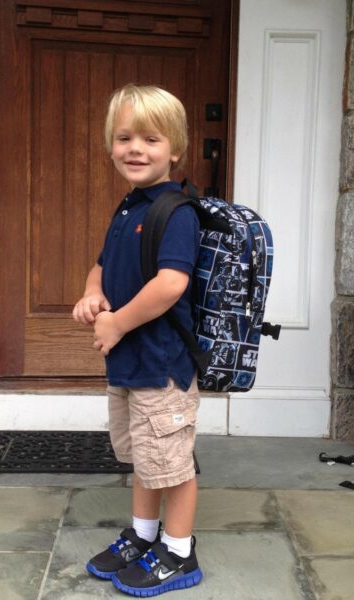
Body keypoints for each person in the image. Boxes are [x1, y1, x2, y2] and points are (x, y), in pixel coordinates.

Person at [72, 84, 202, 597]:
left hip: (162, 366)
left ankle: (179, 550)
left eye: (150, 138)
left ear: (175, 149)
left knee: (174, 465)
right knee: (146, 460)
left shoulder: (177, 212)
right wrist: (91, 293)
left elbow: (172, 284)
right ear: (110, 147)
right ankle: (145, 536)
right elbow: (103, 264)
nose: (135, 148)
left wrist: (119, 322)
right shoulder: (128, 208)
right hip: (129, 364)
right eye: (124, 137)